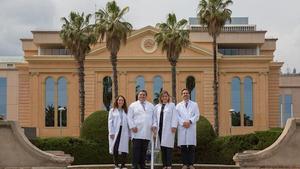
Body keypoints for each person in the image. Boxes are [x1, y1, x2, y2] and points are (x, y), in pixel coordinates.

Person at [127, 90, 157, 169]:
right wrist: (132, 126)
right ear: (138, 96)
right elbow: (129, 117)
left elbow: (154, 118)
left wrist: (154, 125)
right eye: (140, 95)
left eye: (144, 95)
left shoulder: (151, 106)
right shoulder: (133, 105)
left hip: (147, 132)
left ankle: (142, 165)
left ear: (146, 96)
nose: (142, 96)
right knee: (136, 150)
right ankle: (134, 165)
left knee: (144, 150)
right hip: (136, 131)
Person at [176, 89, 200, 169]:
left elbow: (197, 115)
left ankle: (191, 164)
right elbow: (177, 116)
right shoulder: (178, 105)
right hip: (182, 127)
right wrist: (183, 123)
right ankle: (184, 164)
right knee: (183, 148)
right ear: (181, 95)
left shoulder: (194, 104)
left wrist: (189, 121)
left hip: (191, 127)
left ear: (189, 94)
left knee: (191, 147)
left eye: (187, 93)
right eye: (184, 93)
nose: (185, 94)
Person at [154, 90, 178, 169]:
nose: (164, 97)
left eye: (166, 96)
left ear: (168, 97)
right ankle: (164, 165)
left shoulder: (172, 105)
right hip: (160, 129)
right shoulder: (157, 106)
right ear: (161, 97)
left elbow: (175, 116)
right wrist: (155, 126)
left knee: (169, 147)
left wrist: (174, 126)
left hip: (169, 129)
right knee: (162, 147)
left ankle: (169, 165)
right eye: (163, 96)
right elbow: (155, 118)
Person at [108, 95, 130, 169]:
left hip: (124, 131)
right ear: (117, 101)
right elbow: (110, 122)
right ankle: (116, 165)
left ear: (124, 102)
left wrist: (130, 134)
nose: (120, 101)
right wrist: (111, 132)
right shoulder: (112, 110)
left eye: (122, 100)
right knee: (115, 147)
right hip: (115, 131)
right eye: (119, 100)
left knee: (124, 148)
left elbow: (129, 122)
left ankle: (123, 165)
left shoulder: (126, 111)